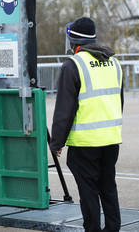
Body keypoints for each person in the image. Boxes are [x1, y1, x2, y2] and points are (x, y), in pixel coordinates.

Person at [50, 17, 123, 232]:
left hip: (85, 143)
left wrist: (57, 143)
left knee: (88, 191)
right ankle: (113, 228)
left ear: (73, 40)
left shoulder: (73, 64)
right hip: (110, 139)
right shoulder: (114, 62)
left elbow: (64, 109)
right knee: (108, 187)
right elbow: (119, 102)